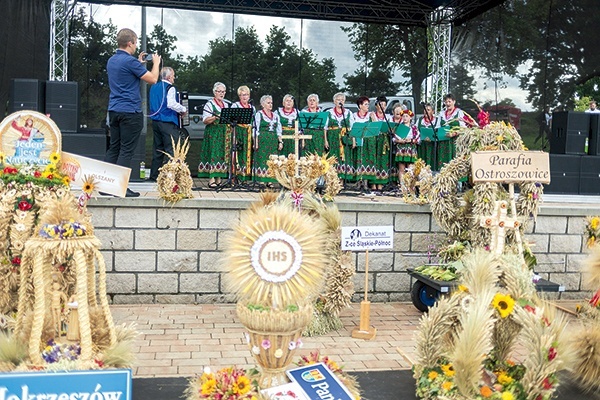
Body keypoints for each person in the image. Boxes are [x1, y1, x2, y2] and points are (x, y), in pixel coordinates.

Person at [105, 28, 160, 197]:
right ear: (130, 43)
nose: (136, 45)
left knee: (114, 148)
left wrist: (139, 63)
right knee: (126, 150)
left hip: (114, 110)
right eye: (135, 42)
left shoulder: (112, 60)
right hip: (130, 111)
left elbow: (128, 74)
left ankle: (106, 186)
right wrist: (155, 63)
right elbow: (153, 79)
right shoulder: (130, 62)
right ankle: (120, 188)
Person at [148, 67, 187, 182]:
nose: (174, 77)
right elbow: (171, 104)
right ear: (169, 77)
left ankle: (154, 175)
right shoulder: (170, 88)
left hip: (155, 121)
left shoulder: (153, 87)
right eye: (173, 75)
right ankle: (171, 177)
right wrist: (183, 109)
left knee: (158, 149)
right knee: (172, 149)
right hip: (167, 121)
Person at [198, 82, 230, 188]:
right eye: (219, 91)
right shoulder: (209, 104)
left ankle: (219, 178)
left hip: (223, 133)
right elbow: (205, 120)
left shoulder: (225, 105)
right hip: (213, 133)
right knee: (213, 154)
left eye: (223, 92)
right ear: (214, 92)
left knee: (221, 155)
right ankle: (211, 179)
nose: (221, 94)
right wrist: (215, 117)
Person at [252, 95, 282, 187]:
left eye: (271, 103)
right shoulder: (259, 114)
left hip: (273, 140)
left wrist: (280, 141)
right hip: (262, 139)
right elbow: (255, 129)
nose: (270, 105)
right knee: (262, 159)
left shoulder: (276, 116)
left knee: (272, 159)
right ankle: (261, 180)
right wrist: (255, 142)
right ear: (262, 104)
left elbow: (278, 130)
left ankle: (269, 180)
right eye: (268, 103)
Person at [326, 92, 354, 178]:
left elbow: (352, 128)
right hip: (332, 138)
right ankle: (333, 180)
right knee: (333, 157)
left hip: (345, 138)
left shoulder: (348, 113)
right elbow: (325, 128)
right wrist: (325, 141)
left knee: (345, 157)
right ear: (334, 101)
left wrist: (353, 141)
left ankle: (342, 181)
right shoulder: (329, 112)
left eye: (342, 100)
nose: (340, 101)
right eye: (338, 99)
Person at [231, 85, 256, 182]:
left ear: (249, 96)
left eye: (246, 95)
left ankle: (245, 178)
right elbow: (232, 122)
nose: (244, 97)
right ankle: (237, 177)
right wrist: (233, 136)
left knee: (248, 154)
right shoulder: (235, 106)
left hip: (249, 133)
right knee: (239, 154)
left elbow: (253, 123)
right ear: (239, 96)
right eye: (242, 95)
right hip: (239, 131)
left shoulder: (252, 108)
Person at [369, 95, 392, 192]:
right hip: (374, 139)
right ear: (376, 106)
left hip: (384, 140)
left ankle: (381, 183)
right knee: (374, 160)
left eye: (384, 105)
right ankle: (373, 183)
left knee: (383, 161)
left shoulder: (388, 117)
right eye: (380, 104)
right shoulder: (372, 115)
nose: (382, 107)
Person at [392, 109, 420, 184]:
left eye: (407, 116)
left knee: (410, 168)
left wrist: (410, 140)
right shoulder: (399, 127)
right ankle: (402, 186)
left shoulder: (414, 128)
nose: (405, 118)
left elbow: (418, 138)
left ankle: (410, 186)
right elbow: (394, 138)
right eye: (403, 116)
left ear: (410, 118)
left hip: (411, 149)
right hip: (401, 149)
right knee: (402, 169)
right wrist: (399, 141)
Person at [438, 94, 467, 162]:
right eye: (446, 102)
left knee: (454, 161)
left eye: (449, 101)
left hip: (454, 142)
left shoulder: (459, 112)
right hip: (443, 142)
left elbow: (464, 128)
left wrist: (454, 133)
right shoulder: (441, 114)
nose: (447, 103)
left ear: (454, 102)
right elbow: (438, 127)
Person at [352, 96, 373, 189]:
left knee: (366, 160)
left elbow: (376, 127)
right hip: (358, 138)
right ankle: (358, 181)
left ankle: (365, 182)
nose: (368, 106)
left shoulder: (370, 115)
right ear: (360, 106)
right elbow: (352, 129)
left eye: (368, 104)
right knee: (358, 159)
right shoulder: (354, 115)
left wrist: (374, 117)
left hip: (368, 140)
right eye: (365, 104)